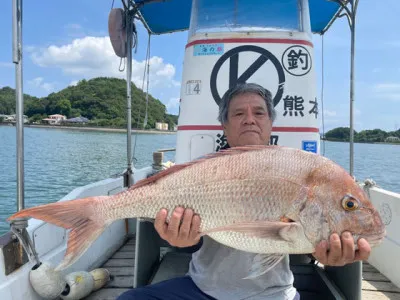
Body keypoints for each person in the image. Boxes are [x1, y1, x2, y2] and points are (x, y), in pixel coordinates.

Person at [117, 83, 371, 300]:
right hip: (202, 288)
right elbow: (188, 236)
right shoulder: (203, 169)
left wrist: (326, 253)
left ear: (270, 123)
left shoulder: (295, 167)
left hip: (274, 293)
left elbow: (302, 237)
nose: (250, 118)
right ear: (224, 127)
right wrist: (179, 239)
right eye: (239, 113)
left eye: (259, 112)